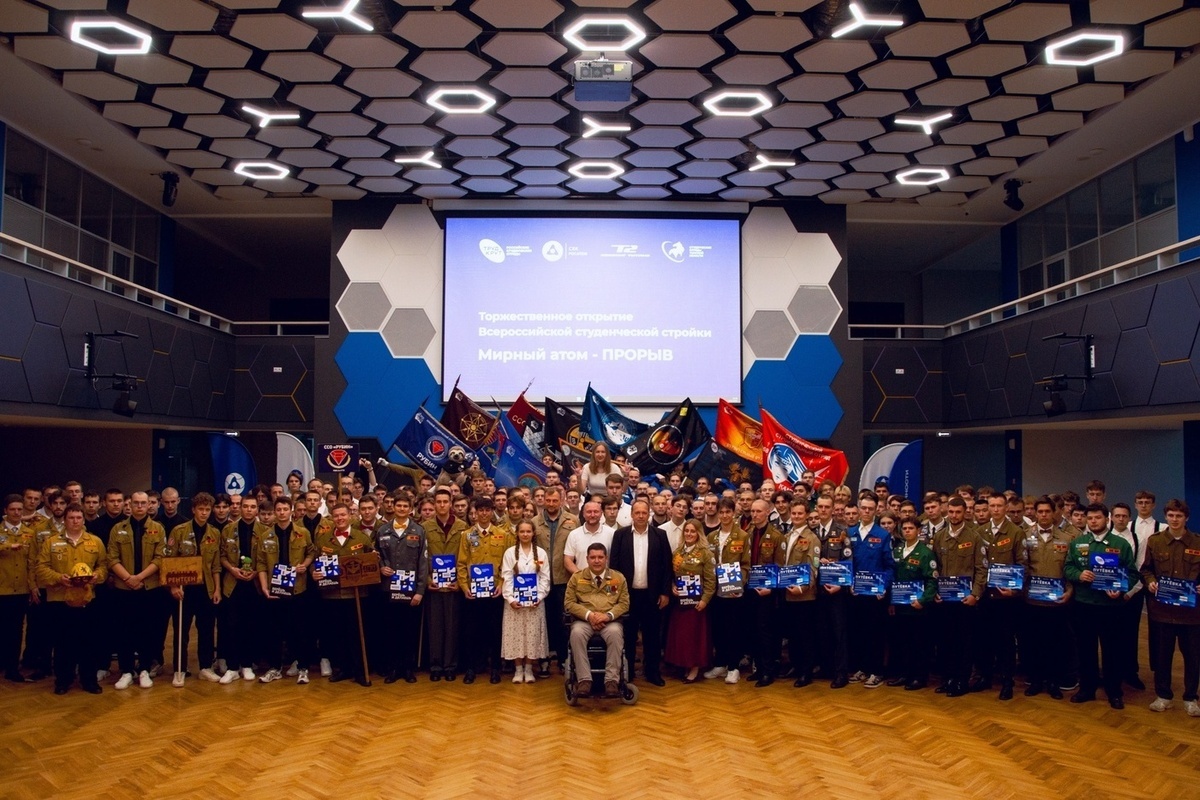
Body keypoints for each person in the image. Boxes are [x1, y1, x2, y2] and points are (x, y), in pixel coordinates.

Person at [1064, 502, 1136, 709]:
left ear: (1107, 519)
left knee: (1112, 650)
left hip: (1110, 606)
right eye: (1090, 518)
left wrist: (1121, 588)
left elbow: (1132, 573)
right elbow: (1068, 567)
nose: (1093, 521)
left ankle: (1114, 692)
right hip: (1084, 604)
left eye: (1098, 517)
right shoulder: (1078, 543)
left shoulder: (1120, 544)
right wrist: (1079, 575)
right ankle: (1087, 689)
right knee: (1085, 649)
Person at [35, 503, 108, 694]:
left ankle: (89, 680)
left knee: (88, 642)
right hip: (60, 600)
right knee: (62, 643)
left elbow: (103, 566)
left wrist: (97, 576)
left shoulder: (95, 542)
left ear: (83, 520)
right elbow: (41, 568)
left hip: (86, 599)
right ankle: (63, 680)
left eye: (78, 518)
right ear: (65, 520)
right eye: (71, 518)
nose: (75, 521)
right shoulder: (51, 543)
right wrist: (59, 578)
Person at [1141, 498, 1200, 715]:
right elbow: (1146, 569)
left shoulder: (1197, 543)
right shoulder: (1155, 541)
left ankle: (1191, 697)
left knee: (1193, 657)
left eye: (1179, 516)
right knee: (1162, 656)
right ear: (1166, 517)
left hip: (1191, 614)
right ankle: (1163, 696)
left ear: (1186, 518)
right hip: (1162, 612)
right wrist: (1150, 582)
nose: (1175, 519)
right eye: (1171, 515)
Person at [609, 499, 673, 686]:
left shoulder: (660, 535)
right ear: (631, 514)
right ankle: (627, 672)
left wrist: (665, 593)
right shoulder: (620, 535)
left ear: (649, 514)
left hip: (652, 596)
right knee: (628, 635)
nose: (640, 516)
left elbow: (666, 566)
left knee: (652, 636)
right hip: (627, 596)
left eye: (644, 513)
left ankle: (652, 672)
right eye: (637, 512)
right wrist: (615, 595)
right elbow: (614, 567)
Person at [107, 491, 167, 690]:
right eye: (136, 503)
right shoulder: (118, 529)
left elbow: (160, 558)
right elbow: (112, 558)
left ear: (149, 505)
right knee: (124, 630)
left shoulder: (158, 528)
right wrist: (128, 578)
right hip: (124, 589)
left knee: (147, 630)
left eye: (144, 503)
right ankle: (126, 671)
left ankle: (144, 670)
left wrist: (139, 578)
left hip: (149, 589)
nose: (140, 506)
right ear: (130, 505)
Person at [971, 493, 1027, 700]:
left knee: (1005, 641)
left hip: (1006, 598)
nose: (995, 510)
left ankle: (1007, 681)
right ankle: (985, 677)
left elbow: (1022, 564)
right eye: (992, 506)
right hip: (985, 595)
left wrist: (1015, 589)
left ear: (1006, 508)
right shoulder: (979, 531)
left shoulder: (1016, 532)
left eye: (999, 506)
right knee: (984, 638)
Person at [254, 497, 315, 685]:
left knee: (300, 629)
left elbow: (311, 552)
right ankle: (275, 668)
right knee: (274, 630)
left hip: (297, 588)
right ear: (274, 512)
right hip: (275, 589)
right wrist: (264, 587)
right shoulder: (266, 535)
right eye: (278, 510)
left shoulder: (302, 533)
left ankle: (303, 667)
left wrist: (305, 565)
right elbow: (261, 563)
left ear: (291, 511)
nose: (281, 513)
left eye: (285, 509)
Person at [312, 503, 374, 686]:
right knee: (337, 634)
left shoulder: (362, 538)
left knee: (357, 634)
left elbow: (371, 562)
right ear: (332, 518)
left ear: (350, 516)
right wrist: (314, 573)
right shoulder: (323, 540)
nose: (340, 518)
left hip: (356, 595)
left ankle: (360, 671)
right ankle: (343, 668)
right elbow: (314, 562)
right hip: (331, 595)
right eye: (336, 515)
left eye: (343, 515)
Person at [930, 496, 986, 697]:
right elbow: (935, 569)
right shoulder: (940, 537)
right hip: (945, 600)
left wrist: (975, 595)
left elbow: (981, 569)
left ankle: (962, 681)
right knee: (946, 641)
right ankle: (948, 679)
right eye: (951, 512)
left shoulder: (974, 537)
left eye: (958, 512)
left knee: (964, 642)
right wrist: (935, 591)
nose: (954, 516)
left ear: (964, 513)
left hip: (965, 601)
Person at [165, 492, 223, 683]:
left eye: (207, 510)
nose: (204, 513)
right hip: (184, 589)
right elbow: (169, 561)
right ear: (193, 510)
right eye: (201, 509)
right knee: (181, 630)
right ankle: (180, 669)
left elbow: (216, 565)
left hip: (206, 589)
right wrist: (173, 587)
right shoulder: (179, 531)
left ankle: (205, 667)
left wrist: (217, 589)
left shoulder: (214, 533)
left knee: (206, 629)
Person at [1021, 496, 1074, 699]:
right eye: (1040, 511)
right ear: (1035, 513)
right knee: (1033, 641)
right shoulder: (1024, 536)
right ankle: (1035, 680)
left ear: (1054, 513)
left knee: (1056, 642)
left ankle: (1053, 682)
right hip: (1031, 600)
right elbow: (1020, 566)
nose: (1043, 515)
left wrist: (1069, 591)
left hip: (1056, 601)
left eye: (1047, 511)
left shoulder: (1067, 538)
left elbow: (1069, 568)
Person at [457, 497, 513, 684]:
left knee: (494, 631)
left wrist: (502, 584)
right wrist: (464, 587)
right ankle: (471, 668)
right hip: (473, 592)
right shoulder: (466, 535)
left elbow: (507, 564)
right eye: (480, 510)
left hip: (494, 591)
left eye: (487, 510)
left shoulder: (502, 535)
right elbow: (461, 564)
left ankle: (495, 668)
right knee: (471, 631)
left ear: (492, 512)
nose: (484, 514)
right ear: (475, 512)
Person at [564, 543, 630, 697]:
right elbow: (569, 603)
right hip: (584, 621)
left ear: (606, 558)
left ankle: (611, 681)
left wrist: (607, 616)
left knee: (615, 633)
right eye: (593, 557)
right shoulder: (577, 577)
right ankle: (584, 680)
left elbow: (624, 603)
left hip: (610, 622)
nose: (597, 560)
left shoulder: (618, 578)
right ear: (587, 559)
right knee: (576, 633)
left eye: (600, 557)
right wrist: (589, 615)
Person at [375, 491, 428, 684]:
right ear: (393, 507)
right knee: (391, 630)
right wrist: (381, 567)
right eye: (399, 505)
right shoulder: (382, 530)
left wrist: (420, 591)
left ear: (411, 509)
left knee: (409, 631)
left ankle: (408, 668)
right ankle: (393, 668)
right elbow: (376, 555)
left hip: (410, 591)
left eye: (406, 506)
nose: (402, 509)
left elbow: (423, 562)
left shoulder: (419, 531)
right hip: (389, 589)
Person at [532, 485, 579, 677]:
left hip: (563, 579)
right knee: (542, 622)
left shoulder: (572, 520)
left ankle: (563, 659)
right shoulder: (534, 522)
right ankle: (543, 661)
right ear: (543, 500)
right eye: (548, 500)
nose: (551, 504)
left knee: (562, 622)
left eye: (555, 500)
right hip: (540, 580)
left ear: (561, 501)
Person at [218, 495, 265, 684]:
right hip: (233, 583)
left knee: (251, 625)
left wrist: (256, 572)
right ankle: (232, 667)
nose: (248, 509)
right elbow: (222, 556)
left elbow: (268, 558)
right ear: (239, 508)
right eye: (245, 506)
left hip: (255, 585)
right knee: (231, 626)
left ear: (257, 509)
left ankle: (247, 665)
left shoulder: (265, 531)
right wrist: (232, 569)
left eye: (252, 507)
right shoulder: (228, 530)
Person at [422, 487, 467, 681]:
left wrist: (461, 582)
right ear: (434, 504)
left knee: (452, 626)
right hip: (433, 585)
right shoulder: (425, 527)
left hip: (454, 585)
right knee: (435, 627)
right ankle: (435, 665)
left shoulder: (462, 527)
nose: (442, 505)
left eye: (445, 502)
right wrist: (427, 580)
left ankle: (450, 666)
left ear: (451, 504)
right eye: (438, 502)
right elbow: (421, 558)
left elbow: (466, 557)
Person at [847, 494, 892, 689]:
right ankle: (861, 668)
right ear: (858, 508)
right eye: (863, 508)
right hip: (855, 593)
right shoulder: (849, 533)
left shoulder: (883, 534)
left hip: (875, 595)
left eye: (870, 509)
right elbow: (846, 562)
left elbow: (889, 566)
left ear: (875, 511)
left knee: (875, 633)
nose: (866, 511)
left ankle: (876, 671)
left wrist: (884, 586)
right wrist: (848, 582)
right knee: (857, 632)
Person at [705, 497, 751, 684]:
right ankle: (720, 663)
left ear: (734, 513)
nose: (724, 516)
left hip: (734, 592)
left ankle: (733, 667)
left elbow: (746, 565)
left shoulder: (742, 536)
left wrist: (739, 585)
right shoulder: (711, 537)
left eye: (728, 512)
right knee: (718, 628)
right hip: (715, 591)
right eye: (721, 512)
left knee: (734, 629)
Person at [888, 518, 937, 690]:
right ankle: (904, 674)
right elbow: (893, 577)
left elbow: (932, 580)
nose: (907, 531)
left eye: (911, 528)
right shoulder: (897, 551)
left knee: (919, 643)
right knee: (902, 642)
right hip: (900, 606)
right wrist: (891, 601)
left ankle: (919, 677)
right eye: (905, 528)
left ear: (918, 531)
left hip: (917, 607)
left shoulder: (925, 552)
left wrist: (923, 600)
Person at [777, 500, 820, 688]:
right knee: (793, 634)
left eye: (800, 513)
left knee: (805, 635)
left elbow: (813, 566)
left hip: (804, 595)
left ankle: (806, 671)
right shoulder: (786, 536)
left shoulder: (812, 539)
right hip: (787, 593)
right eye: (793, 513)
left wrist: (802, 587)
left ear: (807, 515)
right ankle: (796, 665)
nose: (796, 516)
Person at [665, 519, 715, 683]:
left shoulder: (706, 553)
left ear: (699, 533)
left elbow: (710, 580)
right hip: (680, 603)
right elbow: (672, 575)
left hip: (696, 604)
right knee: (682, 637)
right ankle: (684, 665)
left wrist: (705, 600)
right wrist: (672, 587)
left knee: (694, 638)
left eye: (693, 531)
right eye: (687, 531)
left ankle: (694, 668)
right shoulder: (678, 552)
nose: (689, 534)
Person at [501, 520, 550, 683]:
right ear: (517, 533)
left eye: (528, 531)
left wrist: (539, 597)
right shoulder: (509, 553)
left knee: (532, 635)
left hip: (535, 603)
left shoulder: (541, 553)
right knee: (516, 635)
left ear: (533, 533)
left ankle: (529, 669)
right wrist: (510, 598)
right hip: (514, 603)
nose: (525, 534)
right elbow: (507, 577)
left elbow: (545, 578)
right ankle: (518, 669)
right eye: (522, 531)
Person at [1, 495, 37, 682]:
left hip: (21, 589)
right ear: (5, 511)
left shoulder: (29, 533)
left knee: (16, 631)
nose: (16, 513)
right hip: (2, 588)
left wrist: (32, 586)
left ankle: (12, 668)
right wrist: (8, 546)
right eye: (12, 509)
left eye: (19, 510)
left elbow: (32, 563)